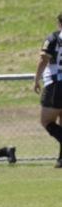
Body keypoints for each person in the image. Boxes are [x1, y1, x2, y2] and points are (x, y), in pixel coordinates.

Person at [34, 13, 62, 167]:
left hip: (56, 83)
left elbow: (44, 58)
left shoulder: (53, 38)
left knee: (46, 121)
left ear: (59, 23)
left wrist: (36, 79)